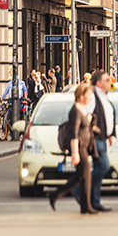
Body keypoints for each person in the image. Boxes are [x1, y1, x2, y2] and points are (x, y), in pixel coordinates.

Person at [47, 83, 98, 214]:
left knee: (80, 176)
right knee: (86, 175)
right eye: (88, 95)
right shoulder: (75, 111)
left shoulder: (82, 109)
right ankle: (86, 206)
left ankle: (56, 195)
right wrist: (75, 153)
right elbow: (73, 133)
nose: (90, 98)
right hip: (79, 147)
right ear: (81, 96)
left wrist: (89, 119)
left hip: (84, 147)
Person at [80, 71, 116, 212]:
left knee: (99, 167)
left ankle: (95, 201)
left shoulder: (103, 95)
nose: (110, 81)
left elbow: (105, 116)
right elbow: (87, 115)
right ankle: (79, 189)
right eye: (107, 79)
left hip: (103, 138)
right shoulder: (93, 96)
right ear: (99, 83)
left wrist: (110, 134)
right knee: (103, 166)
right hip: (95, 139)